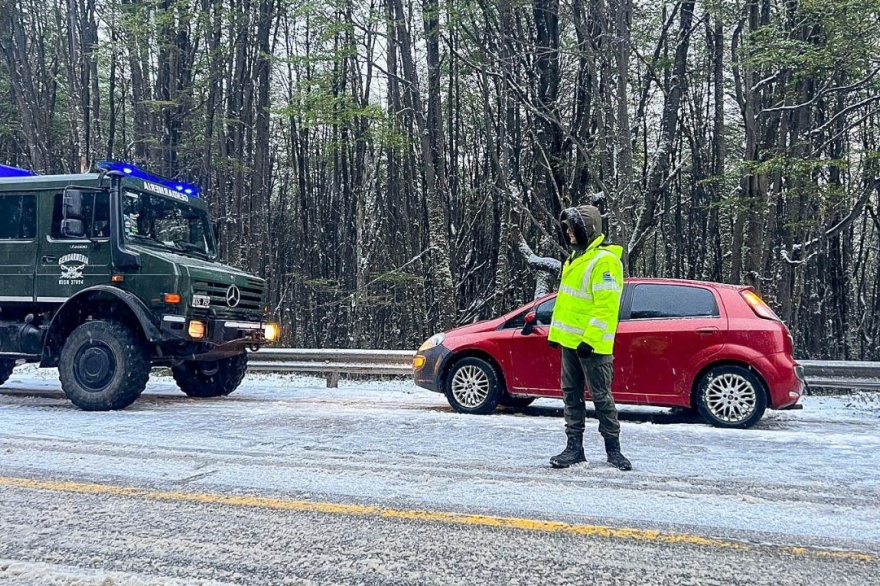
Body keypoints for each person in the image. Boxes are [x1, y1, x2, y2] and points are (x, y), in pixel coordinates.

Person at [547, 204, 631, 471]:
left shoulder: (604, 261)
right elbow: (568, 303)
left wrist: (591, 340)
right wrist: (556, 334)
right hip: (570, 343)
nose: (569, 233)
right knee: (571, 395)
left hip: (592, 346)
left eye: (574, 228)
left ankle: (613, 450)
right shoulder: (574, 259)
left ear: (588, 230)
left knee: (601, 397)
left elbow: (606, 307)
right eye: (567, 229)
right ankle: (574, 448)